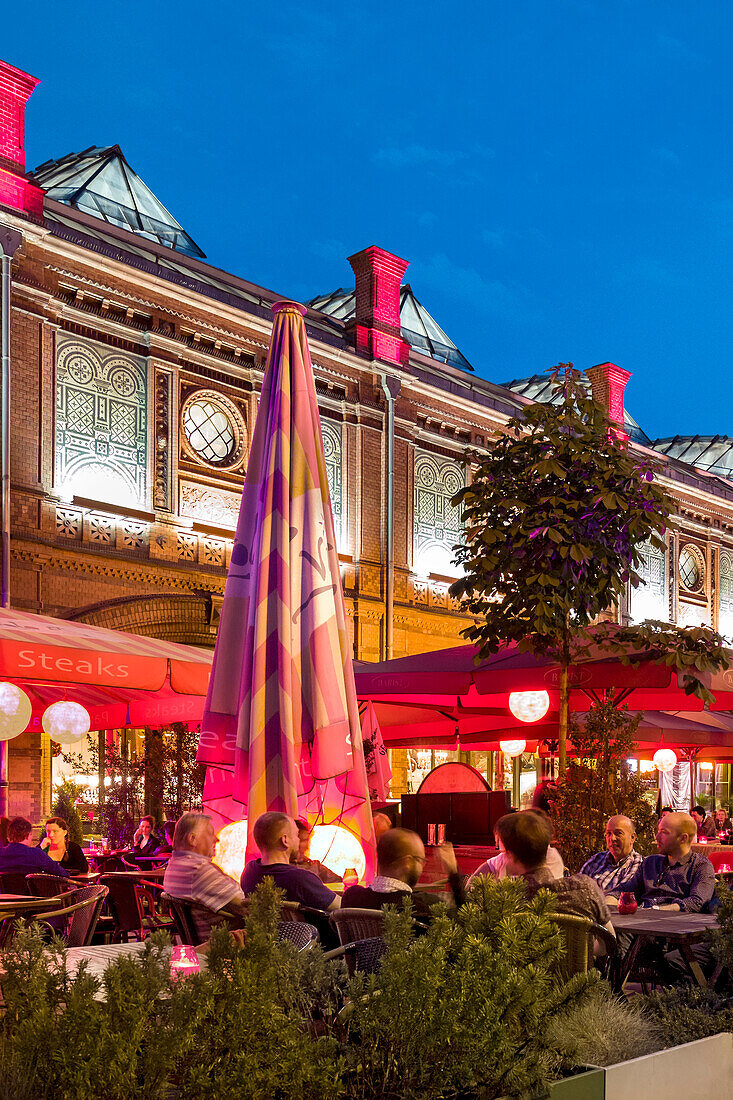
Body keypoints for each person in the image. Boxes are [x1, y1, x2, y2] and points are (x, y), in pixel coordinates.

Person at [492, 811, 615, 941]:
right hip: (577, 961)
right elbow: (609, 940)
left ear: (511, 855)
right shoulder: (585, 889)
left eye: (502, 852)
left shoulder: (506, 899)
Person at [342, 827, 466, 924]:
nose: (422, 867)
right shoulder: (425, 906)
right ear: (407, 862)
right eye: (420, 860)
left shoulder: (351, 897)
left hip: (360, 957)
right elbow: (465, 921)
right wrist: (453, 873)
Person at [163, 812, 249, 941]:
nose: (217, 839)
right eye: (210, 833)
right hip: (227, 944)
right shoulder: (197, 870)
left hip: (210, 943)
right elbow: (247, 909)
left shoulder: (175, 865)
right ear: (192, 839)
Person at [607, 812, 715, 912]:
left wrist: (656, 910)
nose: (657, 837)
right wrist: (606, 903)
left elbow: (697, 902)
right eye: (658, 831)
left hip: (672, 926)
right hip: (640, 922)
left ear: (683, 838)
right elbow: (623, 890)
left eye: (664, 832)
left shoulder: (700, 866)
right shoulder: (650, 862)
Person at [242, 812, 342, 914]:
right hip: (311, 929)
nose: (298, 840)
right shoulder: (300, 878)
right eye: (296, 835)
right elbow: (342, 906)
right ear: (285, 840)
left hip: (266, 929)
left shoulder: (249, 871)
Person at [467, 809, 565, 886]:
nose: (501, 852)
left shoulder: (550, 858)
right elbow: (484, 870)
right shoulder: (512, 856)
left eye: (501, 845)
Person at [579, 815, 642, 892]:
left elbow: (620, 894)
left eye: (618, 833)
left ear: (632, 838)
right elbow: (577, 887)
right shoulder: (597, 859)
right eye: (609, 833)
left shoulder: (637, 865)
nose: (612, 838)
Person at [0, 817, 70, 878]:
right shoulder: (35, 854)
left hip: (6, 893)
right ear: (28, 835)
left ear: (8, 837)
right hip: (31, 893)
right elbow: (62, 873)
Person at [293, 819, 341, 884]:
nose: (307, 846)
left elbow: (339, 882)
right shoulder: (284, 869)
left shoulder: (316, 866)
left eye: (308, 840)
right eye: (304, 840)